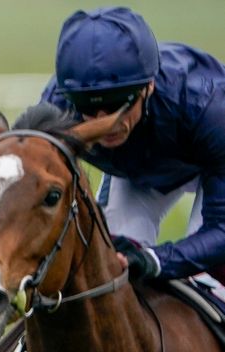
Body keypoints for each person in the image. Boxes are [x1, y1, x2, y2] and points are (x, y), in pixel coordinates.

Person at [41, 7, 225, 283]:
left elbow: (220, 229)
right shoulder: (57, 107)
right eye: (87, 109)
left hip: (213, 161)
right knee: (112, 269)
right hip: (140, 171)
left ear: (148, 87)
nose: (105, 123)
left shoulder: (207, 106)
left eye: (116, 104)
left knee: (211, 279)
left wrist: (156, 260)